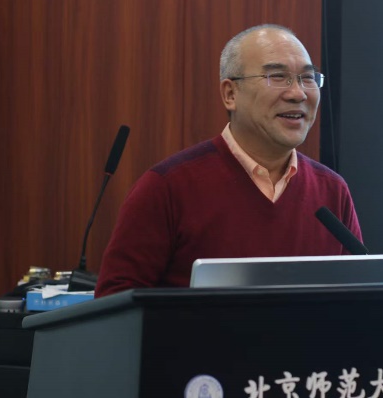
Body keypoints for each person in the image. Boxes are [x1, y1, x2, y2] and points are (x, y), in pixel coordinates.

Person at [95, 24, 362, 297]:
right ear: (230, 94)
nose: (298, 93)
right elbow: (115, 304)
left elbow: (357, 297)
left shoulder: (332, 191)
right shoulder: (167, 187)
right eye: (278, 76)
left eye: (307, 78)